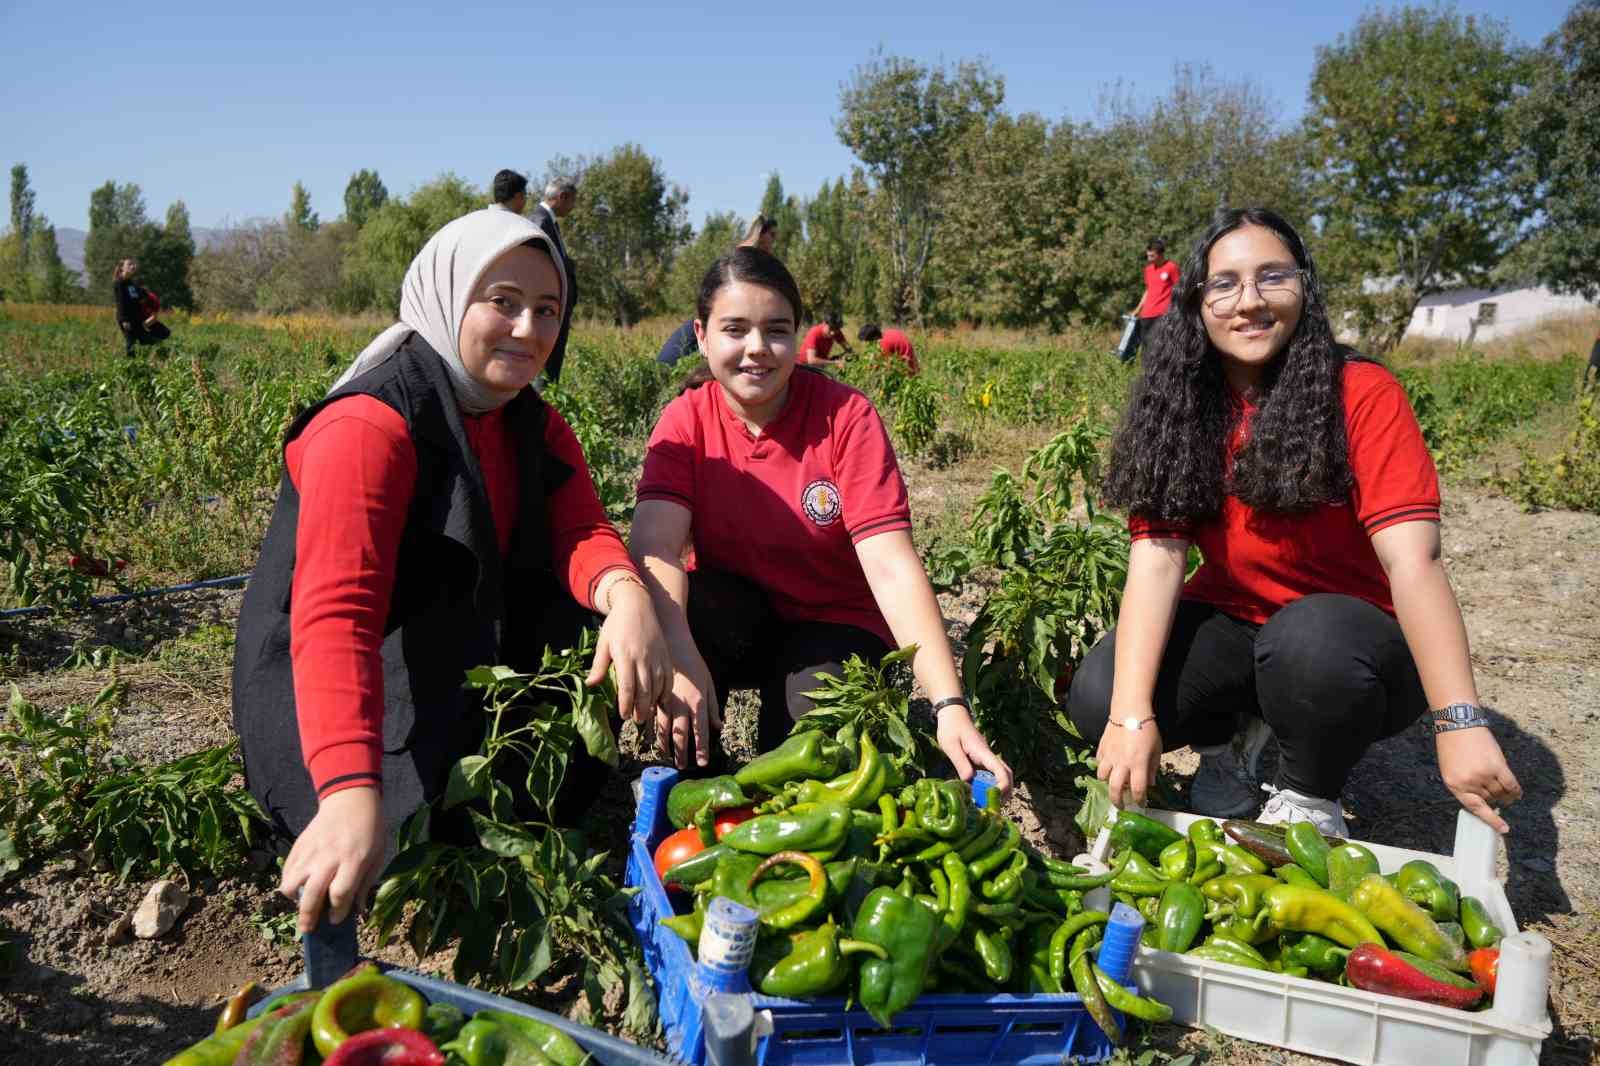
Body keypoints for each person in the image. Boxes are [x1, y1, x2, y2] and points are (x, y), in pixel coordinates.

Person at [233, 209, 672, 935]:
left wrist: (626, 594)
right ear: (447, 294)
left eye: (547, 310)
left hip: (458, 646)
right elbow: (338, 616)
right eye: (501, 302)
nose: (528, 330)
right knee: (406, 832)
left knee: (558, 739)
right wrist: (346, 789)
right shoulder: (369, 426)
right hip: (345, 673)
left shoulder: (530, 420)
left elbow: (580, 528)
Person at [1067, 207, 1521, 838]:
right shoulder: (1183, 405)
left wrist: (1461, 721)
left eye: (1271, 277)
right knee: (1100, 693)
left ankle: (1308, 793)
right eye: (1224, 284)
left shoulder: (1360, 392)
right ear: (1196, 303)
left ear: (1305, 287)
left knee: (1308, 642)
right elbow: (1158, 557)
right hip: (1239, 623)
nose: (1248, 302)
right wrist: (1130, 718)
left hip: (1351, 642)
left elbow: (1413, 562)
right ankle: (1232, 744)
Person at [629, 248, 1013, 797]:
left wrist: (949, 705)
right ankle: (699, 784)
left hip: (835, 620)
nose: (757, 349)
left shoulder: (845, 417)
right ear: (702, 334)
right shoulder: (686, 418)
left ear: (797, 334)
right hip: (742, 617)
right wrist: (680, 659)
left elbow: (891, 566)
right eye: (735, 329)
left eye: (776, 330)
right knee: (686, 615)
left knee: (803, 756)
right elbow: (656, 549)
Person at [532, 177, 579, 382]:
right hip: (548, 311)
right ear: (562, 197)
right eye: (572, 201)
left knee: (552, 371)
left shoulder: (549, 222)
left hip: (555, 311)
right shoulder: (541, 222)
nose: (572, 207)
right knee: (545, 372)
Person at [1119, 239, 1180, 363]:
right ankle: (1146, 375)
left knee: (1159, 345)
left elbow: (1179, 289)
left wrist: (1175, 310)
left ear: (1160, 254)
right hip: (1146, 314)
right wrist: (1137, 310)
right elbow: (1148, 290)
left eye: (1152, 255)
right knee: (1145, 348)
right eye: (1148, 255)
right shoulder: (1148, 270)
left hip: (1162, 314)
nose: (1149, 258)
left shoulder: (1171, 268)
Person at [113, 258, 170, 355]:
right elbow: (121, 303)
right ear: (122, 268)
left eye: (134, 264)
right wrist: (124, 320)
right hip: (126, 319)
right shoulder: (119, 283)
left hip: (137, 318)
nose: (133, 266)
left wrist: (153, 310)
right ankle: (131, 366)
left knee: (160, 334)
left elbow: (143, 295)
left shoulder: (132, 284)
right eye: (130, 264)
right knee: (131, 344)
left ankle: (148, 349)